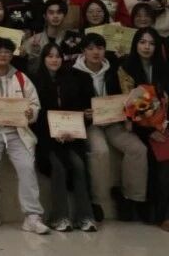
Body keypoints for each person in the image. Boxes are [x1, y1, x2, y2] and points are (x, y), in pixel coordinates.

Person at [0, 37, 49, 234]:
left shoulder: (21, 77)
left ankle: (32, 216)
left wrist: (31, 113)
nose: (3, 55)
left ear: (12, 55)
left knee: (27, 167)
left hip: (18, 131)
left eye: (7, 52)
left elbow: (34, 104)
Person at [73, 33, 147, 221]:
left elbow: (127, 96)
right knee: (101, 151)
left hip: (114, 122)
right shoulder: (73, 73)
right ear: (83, 52)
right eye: (90, 48)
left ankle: (132, 198)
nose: (95, 52)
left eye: (99, 48)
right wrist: (83, 113)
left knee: (138, 149)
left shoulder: (115, 71)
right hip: (91, 124)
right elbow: (69, 102)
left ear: (105, 50)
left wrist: (126, 113)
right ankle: (97, 201)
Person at [31, 42, 97, 231]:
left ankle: (85, 217)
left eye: (58, 56)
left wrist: (77, 126)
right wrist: (55, 133)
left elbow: (79, 111)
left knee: (79, 165)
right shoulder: (34, 80)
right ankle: (59, 217)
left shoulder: (72, 79)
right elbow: (35, 116)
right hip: (46, 138)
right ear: (43, 59)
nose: (54, 60)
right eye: (50, 56)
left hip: (71, 137)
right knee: (58, 167)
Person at [116, 27, 169, 229]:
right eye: (143, 42)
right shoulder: (125, 69)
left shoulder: (163, 68)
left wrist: (163, 126)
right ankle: (161, 214)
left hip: (163, 125)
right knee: (160, 162)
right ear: (135, 44)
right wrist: (150, 131)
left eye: (152, 43)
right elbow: (127, 107)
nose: (147, 47)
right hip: (137, 128)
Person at [22, 0, 82, 73]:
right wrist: (34, 52)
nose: (55, 16)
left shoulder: (72, 38)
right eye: (51, 13)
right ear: (45, 16)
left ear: (64, 15)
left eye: (59, 12)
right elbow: (30, 69)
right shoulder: (33, 40)